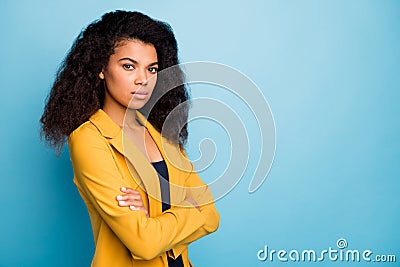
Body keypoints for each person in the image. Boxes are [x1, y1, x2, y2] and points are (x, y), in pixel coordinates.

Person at [40, 10, 219, 267]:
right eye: (128, 66)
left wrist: (151, 213)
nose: (143, 80)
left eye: (152, 69)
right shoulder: (89, 140)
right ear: (101, 68)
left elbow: (212, 215)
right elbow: (144, 243)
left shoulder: (161, 132)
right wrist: (190, 208)